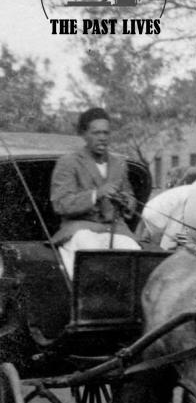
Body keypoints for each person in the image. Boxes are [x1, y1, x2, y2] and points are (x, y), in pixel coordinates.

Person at [50, 107, 139, 278]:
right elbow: (61, 204)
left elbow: (130, 197)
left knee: (134, 254)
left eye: (106, 133)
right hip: (80, 230)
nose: (102, 138)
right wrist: (96, 194)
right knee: (92, 253)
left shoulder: (119, 163)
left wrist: (127, 201)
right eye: (96, 133)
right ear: (84, 134)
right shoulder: (68, 163)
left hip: (116, 230)